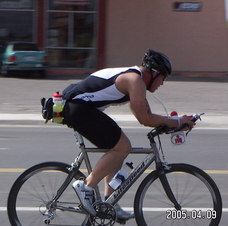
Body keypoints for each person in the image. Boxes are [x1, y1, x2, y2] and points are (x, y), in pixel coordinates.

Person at [62, 49, 195, 217]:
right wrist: (177, 121)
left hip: (80, 108)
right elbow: (145, 119)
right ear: (154, 73)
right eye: (163, 77)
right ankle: (86, 186)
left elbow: (147, 116)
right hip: (77, 108)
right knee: (122, 147)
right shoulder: (134, 80)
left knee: (118, 148)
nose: (162, 83)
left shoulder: (136, 81)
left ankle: (110, 202)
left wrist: (175, 124)